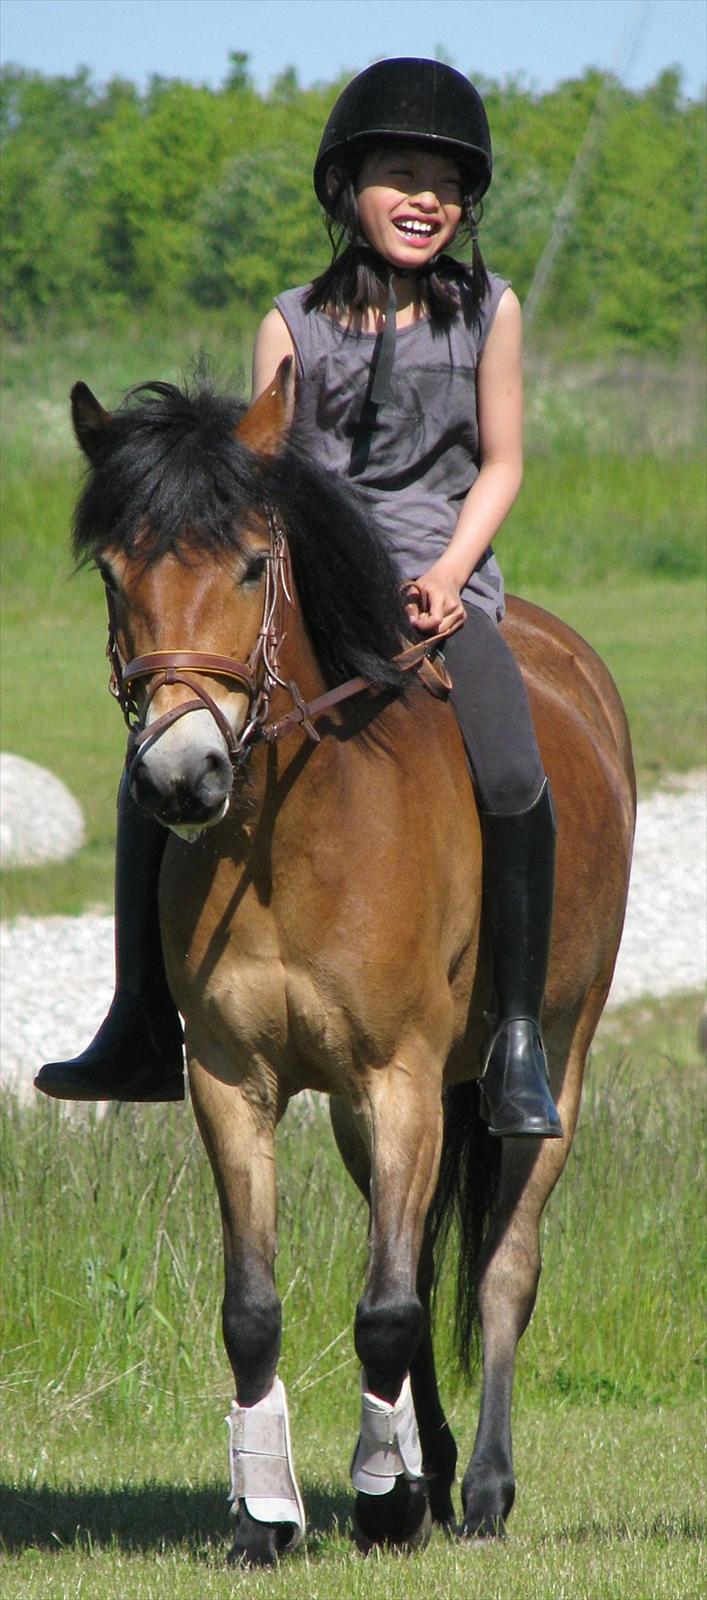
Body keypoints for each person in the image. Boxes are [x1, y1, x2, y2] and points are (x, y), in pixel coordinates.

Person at [36, 56, 561, 1139]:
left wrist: (450, 574)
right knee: (157, 774)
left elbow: (500, 462)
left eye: (446, 183)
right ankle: (139, 1017)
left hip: (443, 583)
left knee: (510, 768)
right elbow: (259, 474)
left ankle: (512, 1034)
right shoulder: (293, 320)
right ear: (345, 189)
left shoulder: (486, 313)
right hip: (319, 578)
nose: (425, 197)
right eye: (399, 173)